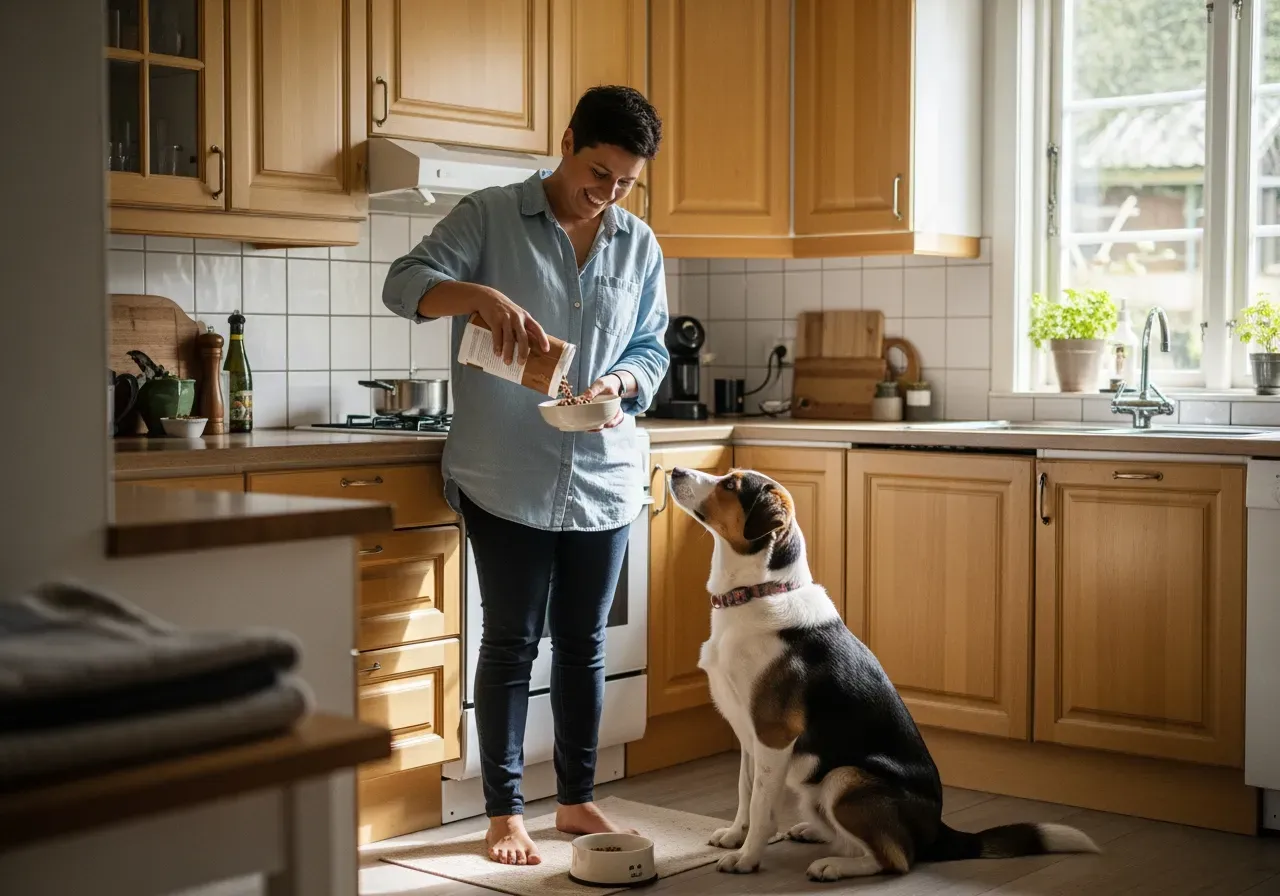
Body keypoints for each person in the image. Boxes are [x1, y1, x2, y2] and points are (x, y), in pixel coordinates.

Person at [382, 86, 668, 867]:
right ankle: (504, 812)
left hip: (604, 473)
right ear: (567, 142)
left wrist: (621, 384)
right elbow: (403, 283)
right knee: (511, 640)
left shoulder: (638, 243)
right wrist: (476, 295)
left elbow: (651, 348)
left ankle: (575, 799)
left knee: (583, 645)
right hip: (504, 472)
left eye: (625, 183)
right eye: (598, 173)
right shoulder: (489, 215)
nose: (607, 194)